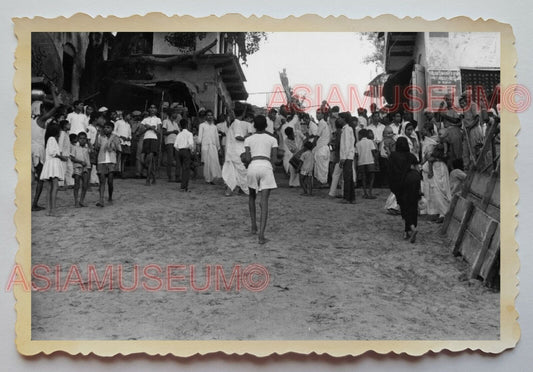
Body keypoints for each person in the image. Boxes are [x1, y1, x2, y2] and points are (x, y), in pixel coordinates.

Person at [243, 115, 278, 244]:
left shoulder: (248, 139)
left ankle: (253, 226)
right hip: (266, 166)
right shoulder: (272, 139)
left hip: (253, 166)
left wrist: (248, 164)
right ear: (266, 125)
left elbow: (247, 158)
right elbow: (274, 160)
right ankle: (261, 236)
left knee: (252, 197)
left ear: (254, 126)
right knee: (264, 202)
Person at [31, 83, 60, 211]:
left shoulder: (28, 119)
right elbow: (57, 106)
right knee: (41, 178)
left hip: (27, 149)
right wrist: (53, 92)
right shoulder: (41, 120)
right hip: (37, 150)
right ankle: (35, 203)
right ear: (41, 109)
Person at [40, 123, 68, 216]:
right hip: (53, 164)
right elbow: (52, 153)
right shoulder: (52, 139)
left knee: (50, 188)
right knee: (54, 187)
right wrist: (62, 157)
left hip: (51, 164)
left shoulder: (51, 140)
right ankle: (52, 210)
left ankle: (49, 210)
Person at [222, 111, 249, 196]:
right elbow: (238, 137)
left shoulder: (234, 123)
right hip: (236, 152)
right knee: (241, 171)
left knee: (233, 171)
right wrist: (248, 137)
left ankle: (231, 190)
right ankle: (242, 189)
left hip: (232, 151)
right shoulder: (237, 123)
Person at [95, 121, 121, 207]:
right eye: (105, 127)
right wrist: (96, 135)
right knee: (102, 181)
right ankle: (101, 199)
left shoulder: (116, 138)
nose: (106, 129)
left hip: (111, 161)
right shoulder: (101, 137)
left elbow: (119, 150)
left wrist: (118, 163)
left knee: (110, 181)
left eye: (108, 127)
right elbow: (97, 147)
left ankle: (110, 196)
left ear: (112, 129)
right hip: (102, 160)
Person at [197, 109, 222, 184]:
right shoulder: (202, 125)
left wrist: (219, 147)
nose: (210, 117)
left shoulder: (214, 127)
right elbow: (200, 137)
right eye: (208, 115)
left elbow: (216, 138)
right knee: (207, 163)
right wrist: (198, 146)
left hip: (213, 147)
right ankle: (208, 179)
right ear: (205, 117)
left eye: (211, 115)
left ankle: (213, 177)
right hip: (205, 146)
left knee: (214, 162)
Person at [141, 104, 162, 185]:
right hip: (146, 139)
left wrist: (151, 128)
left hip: (154, 139)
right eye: (151, 108)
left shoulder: (158, 119)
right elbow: (141, 131)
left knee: (149, 159)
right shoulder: (145, 119)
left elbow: (159, 132)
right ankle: (153, 176)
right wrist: (149, 127)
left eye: (154, 108)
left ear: (156, 110)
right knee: (143, 160)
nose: (152, 109)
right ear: (149, 109)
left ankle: (148, 179)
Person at [70, 132, 91, 207]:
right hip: (77, 166)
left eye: (84, 138)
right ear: (78, 139)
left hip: (86, 167)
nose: (82, 140)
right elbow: (72, 158)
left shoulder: (87, 148)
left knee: (85, 185)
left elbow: (92, 152)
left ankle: (81, 201)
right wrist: (80, 162)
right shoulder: (75, 147)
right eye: (81, 138)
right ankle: (76, 201)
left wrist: (89, 143)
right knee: (77, 184)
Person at [355, 129, 377, 199]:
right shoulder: (370, 142)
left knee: (363, 178)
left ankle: (365, 193)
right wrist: (375, 161)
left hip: (361, 162)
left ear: (361, 135)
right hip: (370, 161)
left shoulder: (358, 144)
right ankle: (370, 192)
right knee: (371, 177)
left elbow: (356, 154)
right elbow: (373, 152)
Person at [174, 119, 195, 192]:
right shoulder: (189, 134)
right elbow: (191, 144)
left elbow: (175, 145)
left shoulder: (179, 134)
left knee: (182, 167)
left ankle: (183, 186)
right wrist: (192, 151)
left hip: (179, 151)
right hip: (186, 151)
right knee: (186, 169)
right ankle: (184, 186)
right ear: (187, 125)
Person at [339, 116, 356, 204]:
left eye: (340, 118)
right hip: (348, 156)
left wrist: (343, 158)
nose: (339, 120)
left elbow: (346, 145)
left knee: (347, 178)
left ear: (344, 119)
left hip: (347, 156)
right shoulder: (348, 129)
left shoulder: (346, 129)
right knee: (349, 178)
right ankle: (351, 198)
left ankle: (347, 197)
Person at [313, 108, 331, 186]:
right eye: (317, 113)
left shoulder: (322, 123)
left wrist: (311, 145)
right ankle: (321, 182)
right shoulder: (325, 124)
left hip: (322, 149)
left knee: (321, 168)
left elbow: (317, 136)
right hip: (324, 148)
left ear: (323, 115)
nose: (317, 115)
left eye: (319, 113)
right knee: (322, 167)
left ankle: (323, 182)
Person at [162, 111, 181, 182]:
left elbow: (178, 132)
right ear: (170, 114)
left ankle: (177, 176)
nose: (176, 115)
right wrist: (173, 132)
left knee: (178, 159)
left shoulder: (175, 123)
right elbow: (164, 132)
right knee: (170, 159)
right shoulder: (165, 121)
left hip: (176, 142)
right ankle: (169, 176)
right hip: (169, 142)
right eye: (174, 113)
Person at [113, 110, 132, 177]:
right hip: (120, 141)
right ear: (125, 116)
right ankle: (116, 171)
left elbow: (130, 134)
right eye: (128, 115)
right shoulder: (118, 122)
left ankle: (122, 172)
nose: (129, 117)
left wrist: (129, 138)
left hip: (126, 142)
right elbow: (114, 131)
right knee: (118, 157)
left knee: (124, 158)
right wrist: (120, 136)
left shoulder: (128, 125)